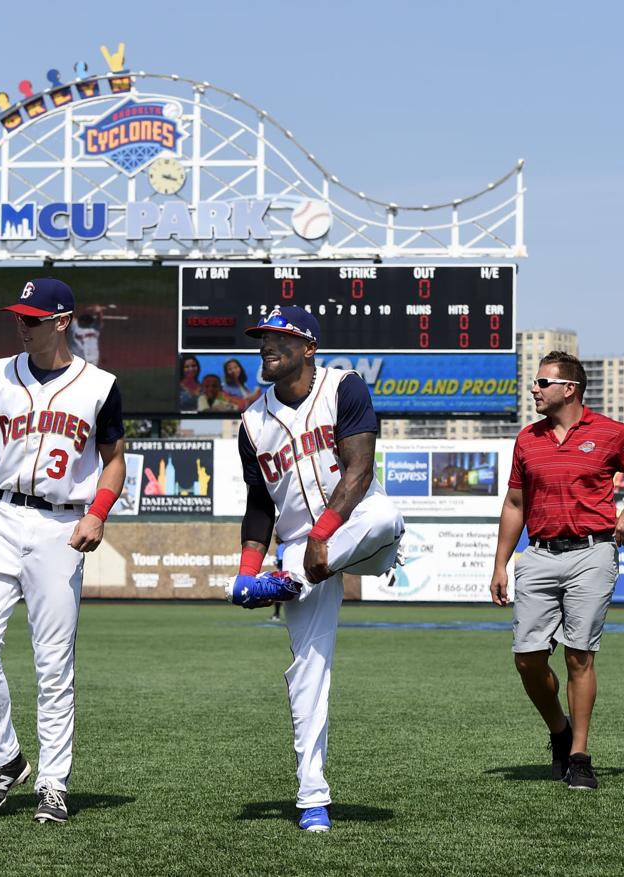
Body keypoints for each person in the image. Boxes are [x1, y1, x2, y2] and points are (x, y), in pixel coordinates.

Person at [0, 278, 126, 825]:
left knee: (53, 663)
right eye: (18, 316)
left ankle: (53, 783)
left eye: (32, 318)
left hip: (61, 526)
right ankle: (5, 760)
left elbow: (114, 459)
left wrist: (98, 512)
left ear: (61, 321)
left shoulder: (99, 385)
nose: (21, 324)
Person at [227, 305, 404, 833]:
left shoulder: (343, 387)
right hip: (299, 545)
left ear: (309, 347)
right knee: (307, 673)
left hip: (354, 530)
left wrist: (324, 538)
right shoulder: (253, 423)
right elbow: (259, 505)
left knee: (387, 514)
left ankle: (291, 582)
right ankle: (312, 799)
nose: (266, 347)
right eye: (262, 339)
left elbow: (360, 469)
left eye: (280, 338)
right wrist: (245, 571)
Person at [489, 351, 624, 791]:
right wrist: (500, 564)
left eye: (542, 383)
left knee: (579, 654)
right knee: (526, 660)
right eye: (535, 383)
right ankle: (559, 732)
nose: (534, 389)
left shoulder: (611, 433)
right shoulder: (527, 438)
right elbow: (514, 505)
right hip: (540, 555)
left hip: (592, 553)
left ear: (570, 388)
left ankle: (580, 755)